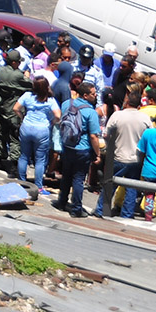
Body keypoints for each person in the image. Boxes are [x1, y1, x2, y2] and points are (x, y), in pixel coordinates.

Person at [98, 89, 152, 218]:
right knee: (132, 188)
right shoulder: (145, 118)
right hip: (136, 159)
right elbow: (149, 136)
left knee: (110, 185)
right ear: (139, 105)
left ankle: (101, 210)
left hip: (118, 156)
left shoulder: (117, 115)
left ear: (126, 102)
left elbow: (106, 134)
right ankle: (127, 215)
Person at [55, 81, 102, 218]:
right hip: (82, 149)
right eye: (93, 94)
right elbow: (93, 136)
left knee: (66, 175)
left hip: (67, 145)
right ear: (86, 95)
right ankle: (76, 209)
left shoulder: (66, 104)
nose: (96, 96)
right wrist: (97, 154)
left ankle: (62, 202)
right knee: (78, 178)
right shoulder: (90, 112)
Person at [14, 76, 59, 197]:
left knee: (24, 156)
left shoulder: (27, 96)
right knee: (40, 160)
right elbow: (58, 115)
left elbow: (16, 108)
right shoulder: (50, 100)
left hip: (27, 127)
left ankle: (21, 182)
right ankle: (39, 186)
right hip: (42, 130)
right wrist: (52, 122)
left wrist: (22, 117)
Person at [0, 49, 27, 172]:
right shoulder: (18, 75)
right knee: (14, 137)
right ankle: (13, 166)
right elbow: (30, 85)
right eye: (18, 62)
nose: (19, 64)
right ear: (13, 62)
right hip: (13, 110)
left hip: (2, 108)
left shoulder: (1, 71)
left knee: (1, 134)